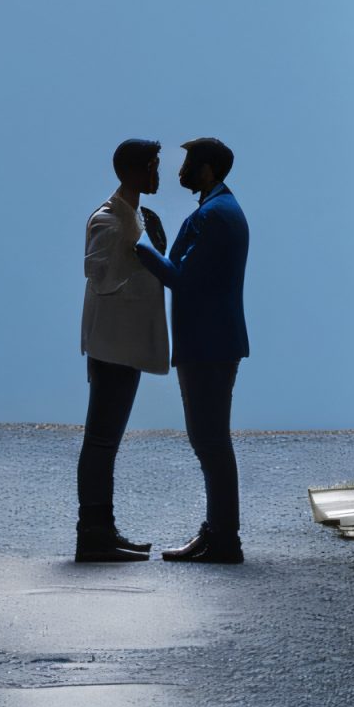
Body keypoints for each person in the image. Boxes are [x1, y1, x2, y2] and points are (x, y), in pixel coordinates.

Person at [135, 138, 248, 564]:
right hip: (212, 340)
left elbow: (182, 279)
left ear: (208, 169)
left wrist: (139, 245)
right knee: (211, 441)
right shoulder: (219, 208)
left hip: (207, 342)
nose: (180, 171)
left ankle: (223, 537)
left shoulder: (214, 214)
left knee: (210, 442)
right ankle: (219, 532)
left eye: (189, 163)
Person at [76, 139, 170, 564]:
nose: (157, 174)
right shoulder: (109, 219)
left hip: (124, 343)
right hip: (112, 343)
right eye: (153, 166)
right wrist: (141, 258)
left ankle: (102, 529)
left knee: (107, 441)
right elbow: (98, 274)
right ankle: (93, 533)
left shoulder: (137, 216)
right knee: (101, 440)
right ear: (134, 171)